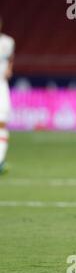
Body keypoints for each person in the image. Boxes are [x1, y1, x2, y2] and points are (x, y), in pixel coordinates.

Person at [0, 16, 15, 175]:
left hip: (1, 86)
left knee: (2, 123)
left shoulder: (8, 42)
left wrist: (10, 68)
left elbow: (10, 58)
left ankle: (0, 160)